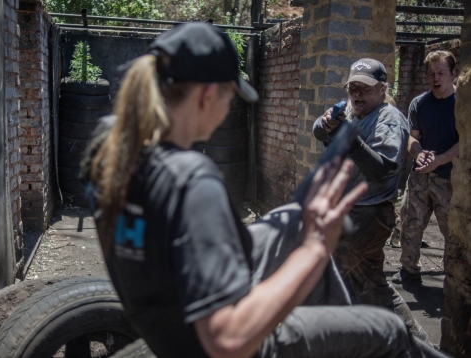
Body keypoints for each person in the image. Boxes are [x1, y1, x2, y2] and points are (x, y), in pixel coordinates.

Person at [85, 23, 445, 358]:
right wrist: (313, 250)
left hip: (167, 313)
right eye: (229, 95)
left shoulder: (109, 150)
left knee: (289, 220)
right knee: (385, 329)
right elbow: (227, 339)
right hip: (230, 342)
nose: (230, 107)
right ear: (208, 94)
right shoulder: (193, 181)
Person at [312, 58, 428, 341]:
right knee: (374, 288)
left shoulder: (388, 118)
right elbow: (318, 130)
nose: (357, 93)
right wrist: (326, 124)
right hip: (355, 214)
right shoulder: (352, 112)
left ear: (382, 89)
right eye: (353, 87)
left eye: (365, 88)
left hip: (368, 215)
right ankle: (417, 344)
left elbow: (383, 168)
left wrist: (350, 140)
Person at [392, 50, 459, 284]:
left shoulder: (461, 105)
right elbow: (412, 138)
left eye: (441, 73)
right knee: (411, 223)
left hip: (448, 178)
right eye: (431, 74)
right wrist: (419, 154)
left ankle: (453, 277)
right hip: (420, 176)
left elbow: (465, 143)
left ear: (453, 74)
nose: (435, 79)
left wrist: (440, 159)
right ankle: (409, 269)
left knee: (452, 231)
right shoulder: (419, 103)